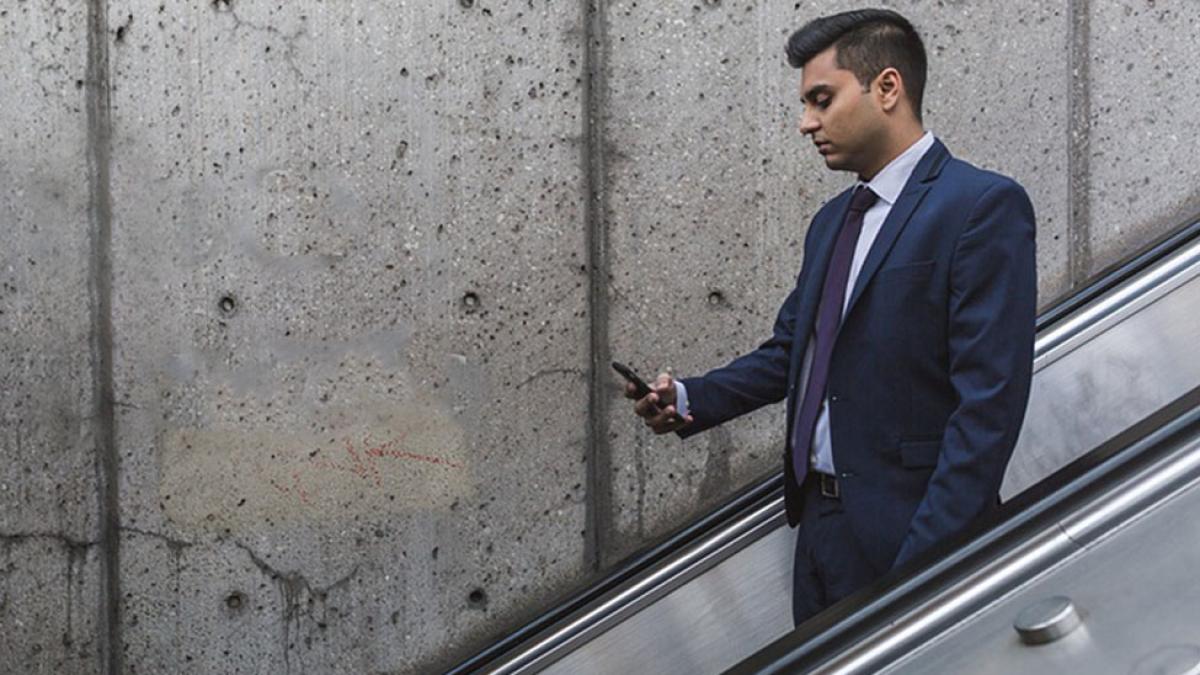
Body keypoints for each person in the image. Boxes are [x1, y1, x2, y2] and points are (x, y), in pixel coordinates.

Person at [625, 8, 1036, 626]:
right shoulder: (832, 223)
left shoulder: (980, 206)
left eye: (822, 99)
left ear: (887, 88)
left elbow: (989, 407)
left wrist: (924, 563)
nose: (805, 123)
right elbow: (795, 351)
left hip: (914, 536)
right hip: (819, 532)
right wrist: (687, 398)